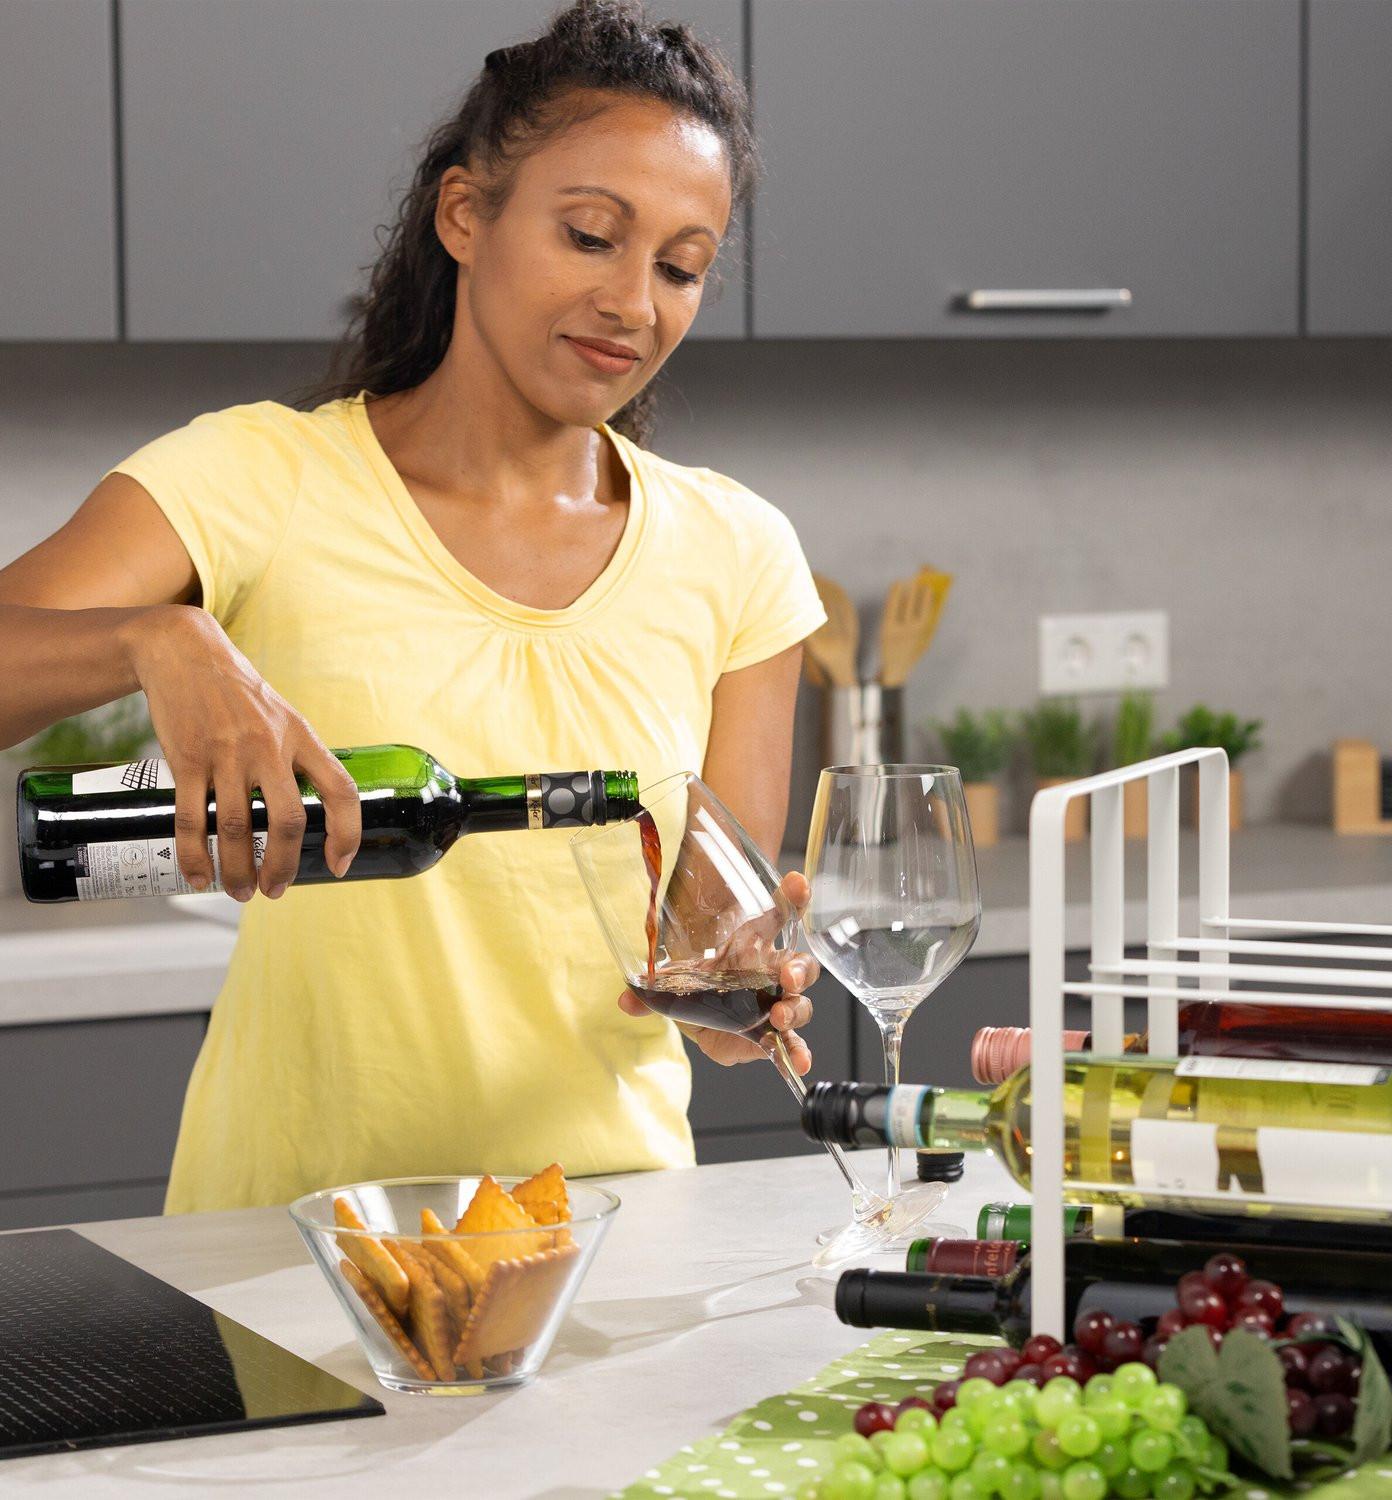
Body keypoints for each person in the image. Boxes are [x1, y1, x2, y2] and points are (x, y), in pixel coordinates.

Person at [0, 0, 826, 1210]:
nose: (634, 304)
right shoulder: (258, 480)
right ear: (464, 215)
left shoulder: (739, 552)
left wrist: (742, 989)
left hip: (607, 1237)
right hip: (291, 1242)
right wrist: (156, 637)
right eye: (592, 235)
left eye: (679, 266)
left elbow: (699, 967)